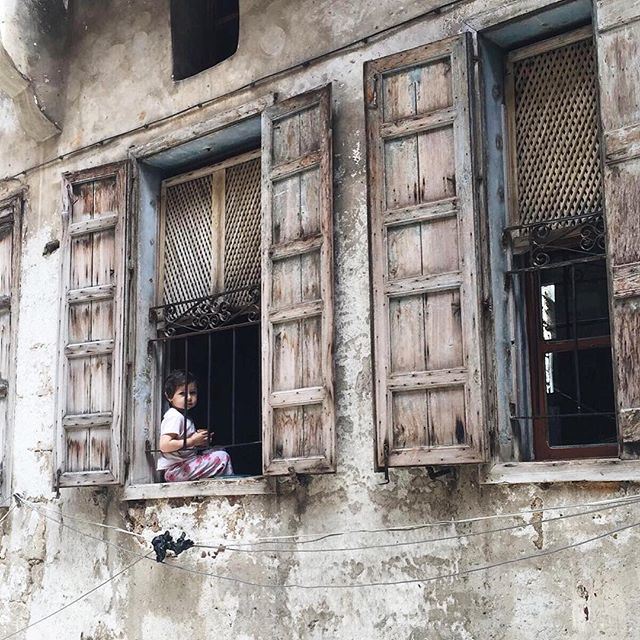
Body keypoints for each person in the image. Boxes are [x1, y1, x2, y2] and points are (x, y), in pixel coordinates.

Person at [158, 370, 233, 482]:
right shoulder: (175, 417)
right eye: (182, 394)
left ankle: (216, 483)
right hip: (177, 470)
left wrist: (199, 440)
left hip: (184, 465)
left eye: (192, 393)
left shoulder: (183, 416)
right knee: (222, 456)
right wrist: (193, 440)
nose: (189, 397)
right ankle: (227, 485)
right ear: (169, 396)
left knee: (218, 449)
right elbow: (165, 445)